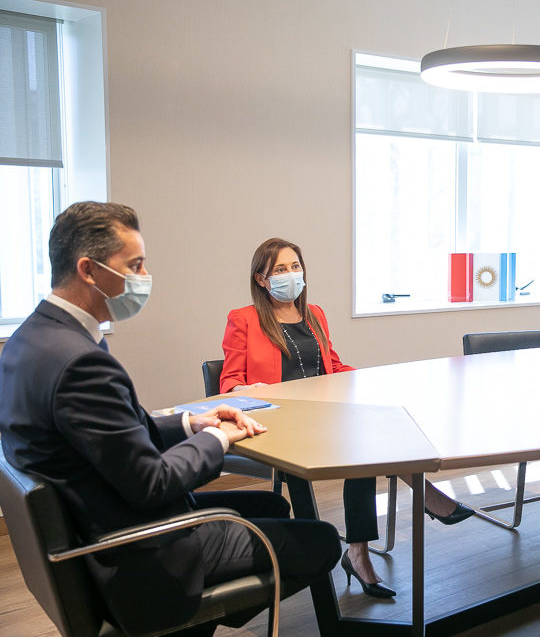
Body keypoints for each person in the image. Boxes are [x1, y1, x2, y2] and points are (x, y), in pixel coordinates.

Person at [0, 202, 341, 636]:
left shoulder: (30, 340)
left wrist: (189, 424)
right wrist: (218, 438)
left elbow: (114, 433)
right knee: (322, 540)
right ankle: (188, 619)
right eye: (135, 265)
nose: (143, 278)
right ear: (88, 270)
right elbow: (152, 484)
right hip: (142, 549)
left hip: (98, 524)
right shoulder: (79, 363)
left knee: (272, 504)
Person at [220, 237, 474, 598]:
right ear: (261, 279)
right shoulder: (243, 319)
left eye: (295, 266)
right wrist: (248, 390)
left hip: (324, 414)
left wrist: (369, 380)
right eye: (279, 269)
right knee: (367, 443)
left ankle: (359, 552)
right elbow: (229, 381)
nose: (290, 275)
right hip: (281, 421)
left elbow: (333, 367)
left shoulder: (314, 314)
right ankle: (421, 499)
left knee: (371, 437)